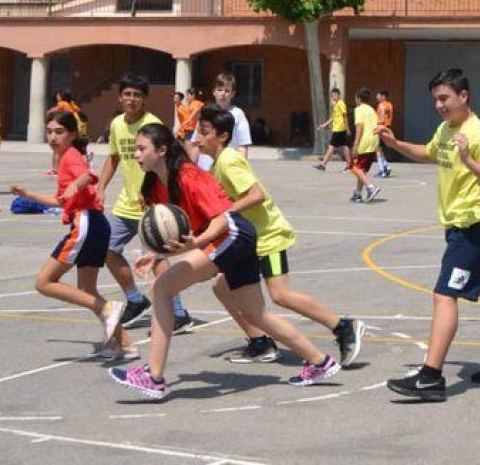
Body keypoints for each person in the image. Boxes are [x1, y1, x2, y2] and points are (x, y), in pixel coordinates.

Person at [109, 123, 342, 399]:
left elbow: (221, 219)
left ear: (161, 150)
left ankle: (153, 375)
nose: (135, 154)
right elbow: (169, 228)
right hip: (229, 238)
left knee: (162, 288)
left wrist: (196, 243)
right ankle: (319, 362)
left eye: (140, 148)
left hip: (232, 234)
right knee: (255, 313)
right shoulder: (154, 185)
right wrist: (156, 252)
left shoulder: (189, 176)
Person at [378, 67, 480, 401]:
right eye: (435, 100)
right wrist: (395, 143)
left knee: (444, 295)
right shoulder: (446, 129)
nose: (439, 105)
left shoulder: (478, 134)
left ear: (464, 96)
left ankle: (430, 377)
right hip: (462, 225)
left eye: (445, 98)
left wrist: (468, 159)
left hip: (473, 227)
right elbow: (429, 153)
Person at [198, 106, 366, 371]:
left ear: (221, 136)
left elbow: (256, 195)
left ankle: (343, 326)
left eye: (204, 132)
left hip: (268, 235)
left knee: (280, 294)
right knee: (221, 286)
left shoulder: (229, 161)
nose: (197, 137)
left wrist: (225, 211)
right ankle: (259, 341)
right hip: (249, 240)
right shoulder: (218, 164)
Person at [10, 109, 135, 362]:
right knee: (87, 288)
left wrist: (76, 185)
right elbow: (59, 199)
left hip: (86, 223)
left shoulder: (70, 156)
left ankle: (108, 308)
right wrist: (28, 195)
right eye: (49, 131)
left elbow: (88, 176)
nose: (53, 137)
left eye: (60, 132)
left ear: (73, 134)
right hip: (96, 224)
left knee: (44, 282)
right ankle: (125, 345)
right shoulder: (65, 157)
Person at [96, 75, 194, 332]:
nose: (132, 99)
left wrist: (155, 192)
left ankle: (179, 313)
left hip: (150, 202)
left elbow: (169, 160)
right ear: (120, 97)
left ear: (144, 99)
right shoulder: (117, 124)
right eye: (127, 94)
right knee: (106, 248)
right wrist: (100, 187)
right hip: (125, 202)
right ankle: (135, 300)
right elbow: (114, 158)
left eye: (137, 95)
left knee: (156, 258)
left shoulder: (152, 124)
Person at [207, 73, 252, 158]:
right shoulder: (206, 112)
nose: (223, 93)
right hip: (206, 167)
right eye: (219, 90)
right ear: (214, 92)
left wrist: (240, 167)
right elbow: (195, 143)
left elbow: (243, 146)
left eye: (227, 91)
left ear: (232, 94)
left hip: (228, 165)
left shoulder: (238, 114)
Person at [348, 88, 381, 203]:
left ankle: (371, 188)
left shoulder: (359, 109)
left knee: (353, 167)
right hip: (374, 141)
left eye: (355, 98)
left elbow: (359, 128)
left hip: (364, 141)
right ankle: (357, 194)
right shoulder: (372, 109)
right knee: (362, 170)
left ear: (359, 98)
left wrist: (355, 145)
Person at [314, 86, 350, 171]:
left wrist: (347, 128)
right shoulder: (335, 104)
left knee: (331, 146)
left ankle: (323, 165)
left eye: (334, 95)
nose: (333, 97)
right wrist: (324, 124)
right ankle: (349, 164)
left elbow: (345, 116)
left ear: (338, 95)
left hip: (339, 129)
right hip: (337, 129)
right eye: (332, 95)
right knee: (344, 146)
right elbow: (333, 117)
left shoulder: (341, 104)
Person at [374, 89, 395, 178]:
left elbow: (382, 118)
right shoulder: (390, 105)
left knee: (377, 149)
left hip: (381, 127)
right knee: (380, 149)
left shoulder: (381, 105)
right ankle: (386, 166)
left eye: (378, 95)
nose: (377, 97)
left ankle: (382, 170)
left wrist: (376, 125)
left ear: (383, 96)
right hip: (387, 127)